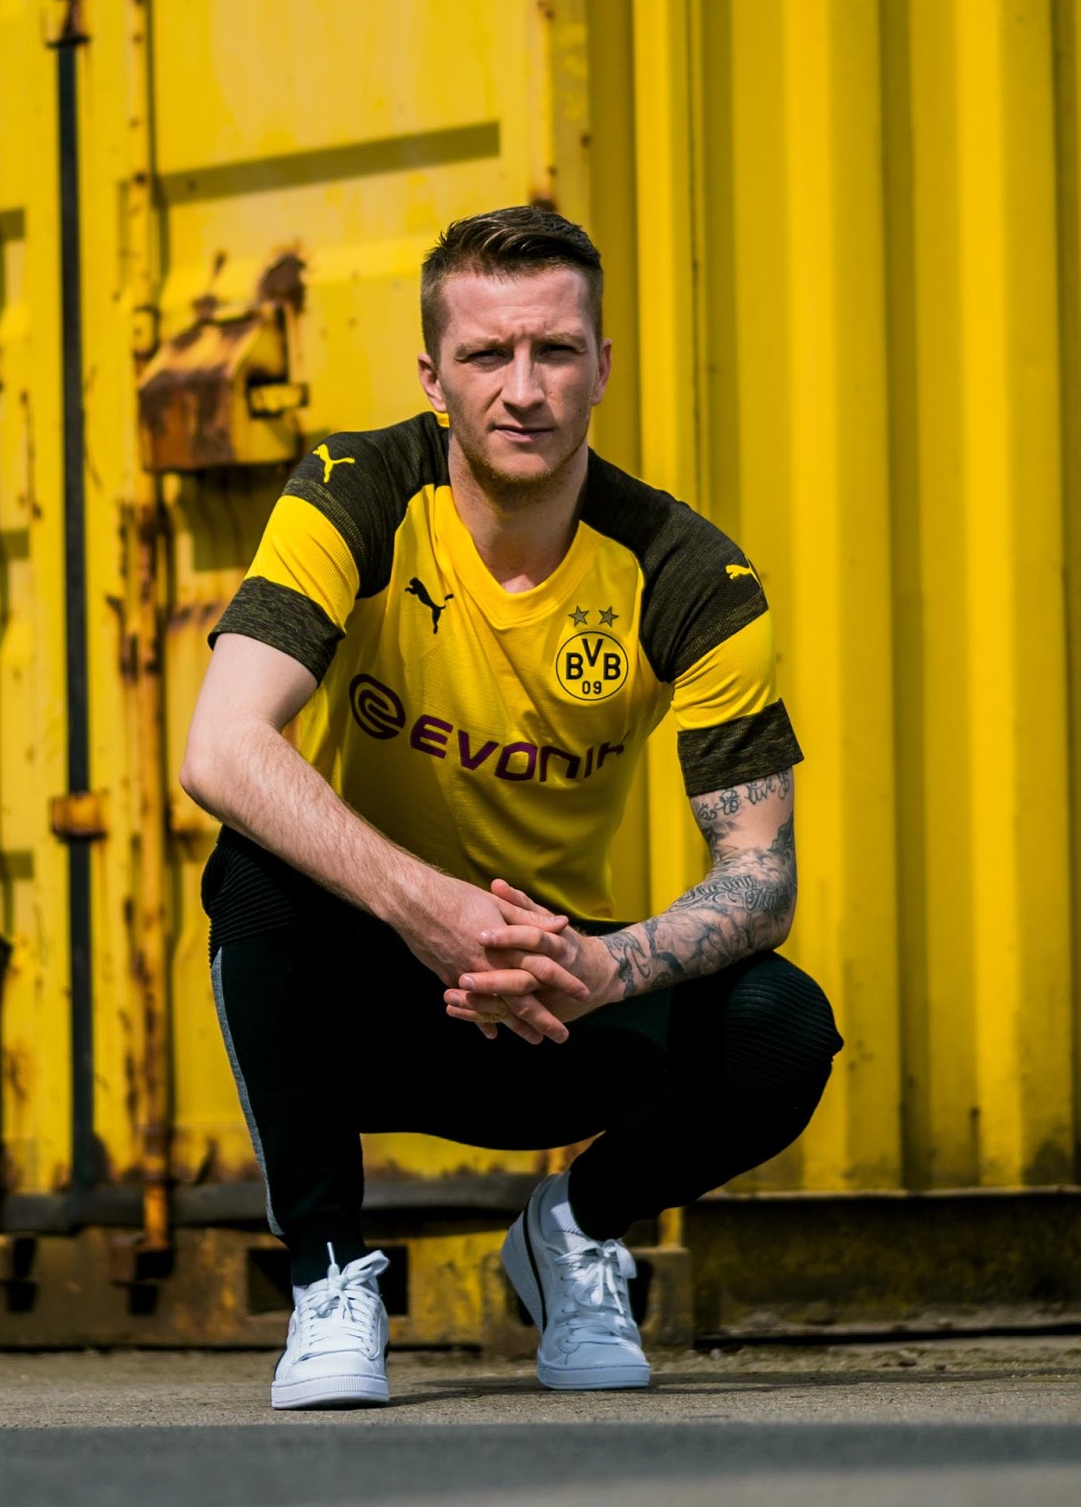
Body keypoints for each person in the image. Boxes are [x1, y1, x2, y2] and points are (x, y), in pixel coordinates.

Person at [181, 207, 842, 1410]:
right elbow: (221, 746)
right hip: (371, 1002)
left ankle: (571, 1228)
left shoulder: (688, 575)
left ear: (602, 367)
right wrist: (423, 905)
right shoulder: (354, 493)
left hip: (549, 1005)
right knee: (256, 864)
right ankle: (328, 1278)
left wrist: (603, 966)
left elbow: (759, 875)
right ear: (432, 377)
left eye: (555, 351)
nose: (523, 389)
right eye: (487, 354)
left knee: (781, 1024)